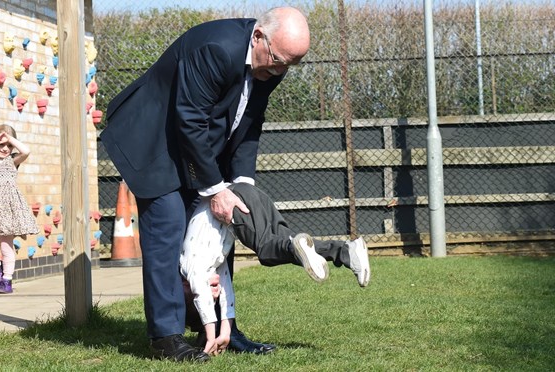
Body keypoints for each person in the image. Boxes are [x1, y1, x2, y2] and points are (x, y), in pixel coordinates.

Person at [100, 7, 311, 363]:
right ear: (258, 35)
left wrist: (239, 184)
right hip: (153, 141)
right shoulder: (217, 49)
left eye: (289, 65)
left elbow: (248, 122)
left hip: (194, 145)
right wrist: (214, 188)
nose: (279, 71)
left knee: (219, 230)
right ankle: (166, 337)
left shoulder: (272, 63)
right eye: (277, 60)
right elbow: (190, 118)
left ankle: (220, 327)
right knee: (167, 229)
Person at [180, 182, 370, 356]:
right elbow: (226, 294)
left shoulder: (192, 269)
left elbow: (203, 300)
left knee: (266, 249)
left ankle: (295, 247)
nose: (214, 294)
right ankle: (345, 250)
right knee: (285, 238)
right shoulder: (213, 264)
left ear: (189, 291)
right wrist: (226, 333)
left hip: (229, 198)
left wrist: (211, 339)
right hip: (246, 189)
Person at [0, 124, 39, 294]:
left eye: (9, 146)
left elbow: (26, 151)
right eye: (1, 145)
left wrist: (10, 138)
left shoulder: (12, 161)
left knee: (6, 245)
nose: (5, 149)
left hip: (6, 209)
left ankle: (6, 280)